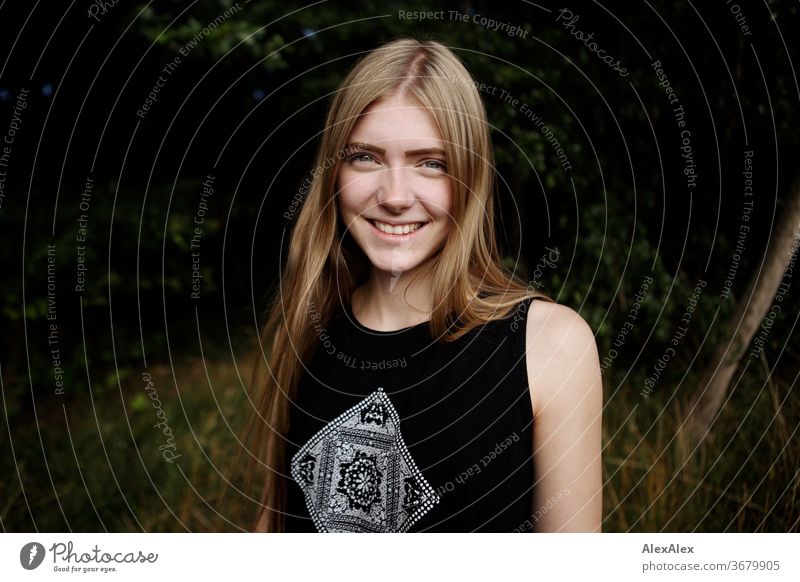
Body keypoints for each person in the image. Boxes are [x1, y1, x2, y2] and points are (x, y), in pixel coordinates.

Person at [244, 38, 602, 533]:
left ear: (469, 179)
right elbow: (278, 521)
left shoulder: (548, 345)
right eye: (365, 157)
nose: (394, 197)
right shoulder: (310, 325)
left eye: (430, 162)